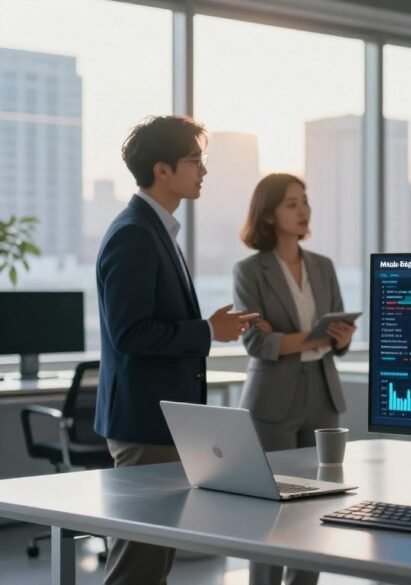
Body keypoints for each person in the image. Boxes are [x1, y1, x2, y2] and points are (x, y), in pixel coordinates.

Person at [94, 115, 257, 585]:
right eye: (193, 160)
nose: (203, 170)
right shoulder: (134, 233)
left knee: (152, 561)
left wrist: (209, 329)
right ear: (161, 170)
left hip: (161, 422)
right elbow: (132, 333)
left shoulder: (155, 229)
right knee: (138, 566)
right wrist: (207, 332)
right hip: (146, 425)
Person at [233, 173, 355, 585]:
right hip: (272, 398)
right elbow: (257, 343)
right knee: (269, 507)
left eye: (305, 201)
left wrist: (335, 338)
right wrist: (308, 338)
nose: (303, 211)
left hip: (322, 390)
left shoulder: (323, 266)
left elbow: (326, 336)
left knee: (317, 505)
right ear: (268, 214)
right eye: (291, 203)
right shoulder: (249, 270)